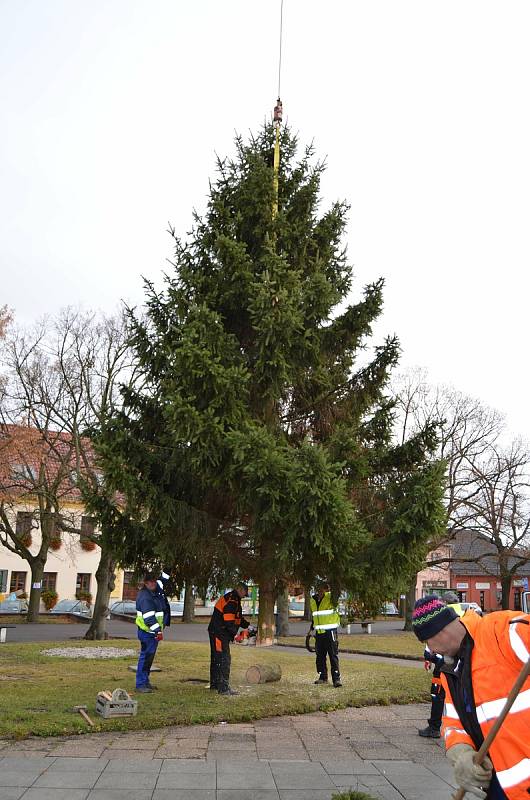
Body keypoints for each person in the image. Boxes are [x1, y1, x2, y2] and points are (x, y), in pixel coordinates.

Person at [412, 594, 530, 800]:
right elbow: (452, 723)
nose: (430, 649)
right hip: (499, 784)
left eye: (427, 641)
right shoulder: (450, 671)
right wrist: (462, 754)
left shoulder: (499, 632)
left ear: (441, 630)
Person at [418, 591, 464, 739]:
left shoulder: (442, 616)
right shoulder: (462, 611)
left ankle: (434, 726)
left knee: (437, 694)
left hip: (443, 663)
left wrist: (429, 657)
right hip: (456, 661)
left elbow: (434, 641)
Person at [208, 583, 250, 696]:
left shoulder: (234, 599)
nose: (244, 596)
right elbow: (228, 621)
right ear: (240, 590)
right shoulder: (231, 600)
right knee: (223, 658)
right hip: (219, 632)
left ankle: (215, 684)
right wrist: (236, 635)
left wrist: (248, 626)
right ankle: (223, 688)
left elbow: (238, 618)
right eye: (244, 593)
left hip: (219, 631)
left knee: (217, 657)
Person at [134, 570, 171, 693]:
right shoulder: (145, 597)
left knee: (149, 658)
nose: (153, 583)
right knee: (145, 658)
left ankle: (145, 681)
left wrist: (168, 567)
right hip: (147, 632)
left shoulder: (156, 588)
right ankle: (140, 684)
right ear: (146, 583)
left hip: (151, 633)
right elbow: (149, 618)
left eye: (154, 581)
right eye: (151, 582)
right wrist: (158, 631)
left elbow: (163, 580)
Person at [309, 581, 342, 687]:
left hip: (330, 631)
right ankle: (322, 677)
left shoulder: (331, 598)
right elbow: (316, 616)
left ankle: (336, 679)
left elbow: (338, 590)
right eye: (318, 589)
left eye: (323, 588)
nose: (320, 591)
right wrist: (311, 628)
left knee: (333, 655)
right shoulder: (313, 600)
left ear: (326, 589)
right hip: (319, 633)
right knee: (320, 656)